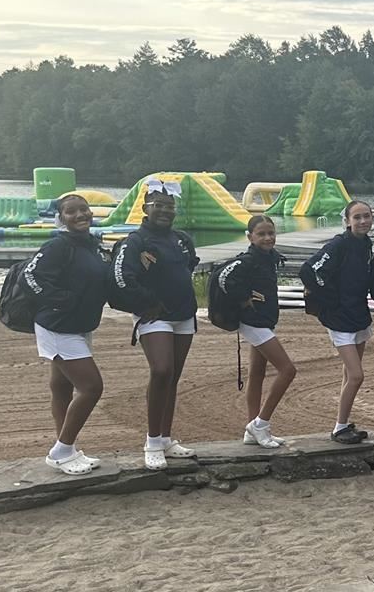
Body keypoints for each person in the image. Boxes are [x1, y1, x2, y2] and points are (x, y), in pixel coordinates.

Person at [112, 178, 200, 469]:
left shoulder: (182, 239)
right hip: (154, 315)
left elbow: (187, 268)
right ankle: (151, 441)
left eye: (169, 206)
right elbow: (122, 277)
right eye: (158, 206)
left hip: (184, 315)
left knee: (172, 377)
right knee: (161, 370)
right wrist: (147, 301)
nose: (164, 211)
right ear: (145, 208)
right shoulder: (135, 241)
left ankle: (165, 437)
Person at [21, 193, 108, 475]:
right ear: (61, 218)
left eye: (84, 209)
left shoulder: (92, 245)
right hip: (58, 327)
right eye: (72, 211)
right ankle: (61, 450)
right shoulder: (58, 245)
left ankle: (67, 450)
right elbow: (30, 276)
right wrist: (59, 299)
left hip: (81, 326)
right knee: (92, 387)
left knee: (61, 387)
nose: (81, 215)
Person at [220, 214, 297, 448]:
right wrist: (243, 301)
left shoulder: (269, 258)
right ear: (249, 237)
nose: (267, 238)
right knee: (288, 370)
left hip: (264, 321)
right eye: (261, 234)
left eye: (271, 233)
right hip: (253, 322)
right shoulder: (248, 260)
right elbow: (223, 278)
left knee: (257, 373)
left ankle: (251, 427)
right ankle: (261, 423)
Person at [302, 199, 374, 445]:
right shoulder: (339, 245)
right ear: (347, 221)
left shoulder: (365, 243)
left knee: (348, 374)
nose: (363, 221)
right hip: (339, 318)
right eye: (357, 217)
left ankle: (343, 423)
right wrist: (330, 300)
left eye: (366, 216)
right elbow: (309, 271)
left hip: (359, 315)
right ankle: (339, 427)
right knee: (356, 376)